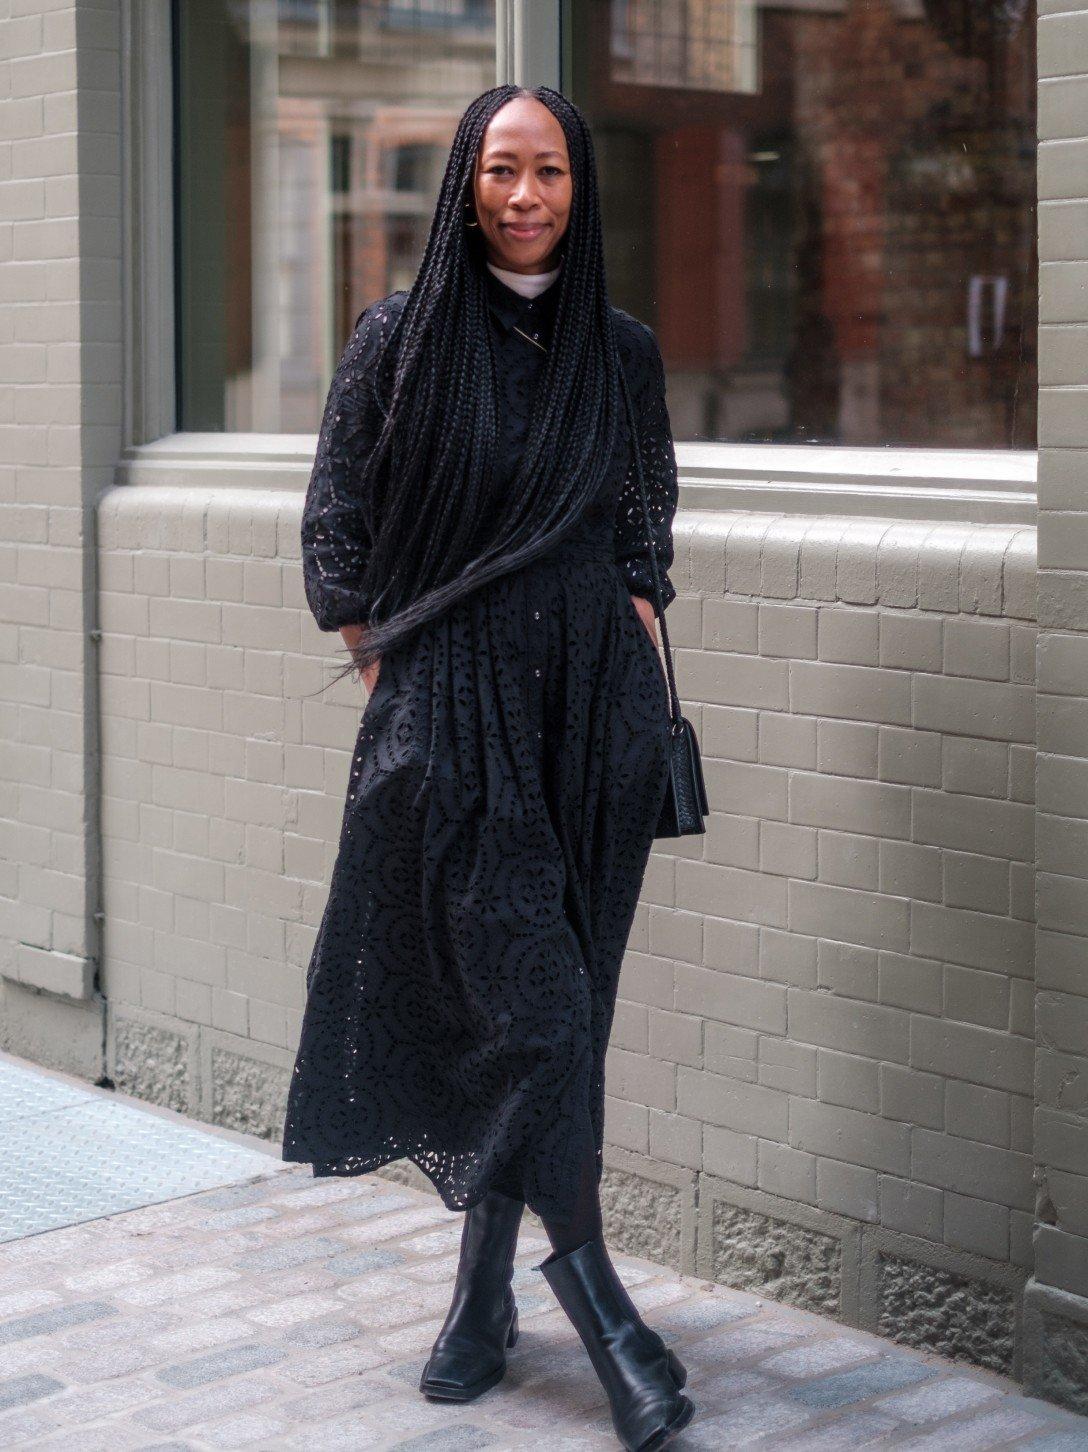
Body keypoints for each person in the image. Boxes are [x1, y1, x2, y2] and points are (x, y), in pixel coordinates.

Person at [281, 83, 694, 1451]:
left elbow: (647, 524)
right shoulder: (397, 341)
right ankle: (606, 1318)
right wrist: (391, 664)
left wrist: (632, 621)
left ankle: (476, 1304)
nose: (527, 197)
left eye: (552, 174)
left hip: (595, 725)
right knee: (536, 1016)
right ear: (465, 182)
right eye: (503, 170)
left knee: (570, 1009)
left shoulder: (617, 351)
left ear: (582, 190)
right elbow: (336, 528)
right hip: (455, 723)